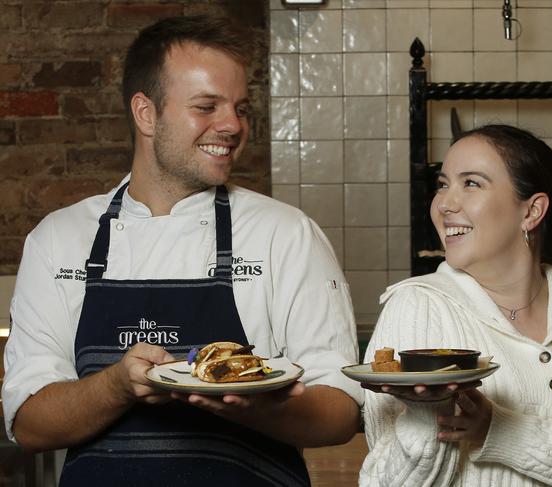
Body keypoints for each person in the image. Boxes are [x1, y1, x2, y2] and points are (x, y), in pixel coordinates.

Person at [2, 16, 362, 487]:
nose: (232, 125)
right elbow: (29, 423)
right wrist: (117, 385)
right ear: (146, 113)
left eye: (240, 107)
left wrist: (245, 403)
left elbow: (342, 411)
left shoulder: (287, 234)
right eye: (206, 106)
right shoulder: (58, 239)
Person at [360, 124, 552, 486]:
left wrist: (499, 431)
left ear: (531, 212)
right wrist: (427, 412)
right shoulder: (418, 305)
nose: (445, 204)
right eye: (443, 184)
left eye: (471, 183)